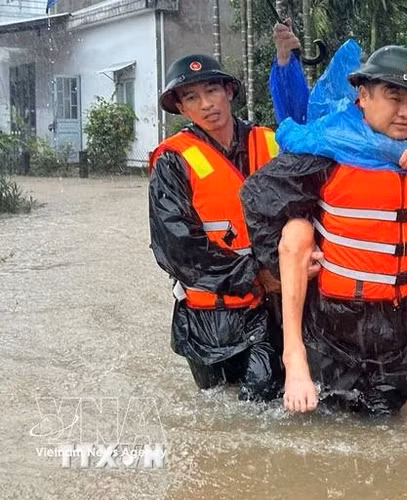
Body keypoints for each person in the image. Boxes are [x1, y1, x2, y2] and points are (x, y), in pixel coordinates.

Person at [241, 45, 407, 416]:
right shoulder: (327, 149)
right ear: (364, 95)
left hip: (396, 324)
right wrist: (274, 272)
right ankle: (294, 358)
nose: (405, 112)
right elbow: (258, 198)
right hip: (334, 322)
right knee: (295, 232)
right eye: (393, 97)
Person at [147, 44, 309, 400]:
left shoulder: (274, 143)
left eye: (212, 91)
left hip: (273, 310)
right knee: (220, 411)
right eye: (192, 97)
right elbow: (176, 248)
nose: (206, 104)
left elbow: (313, 199)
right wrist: (255, 275)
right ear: (181, 107)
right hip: (209, 320)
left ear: (229, 92)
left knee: (265, 402)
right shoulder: (173, 162)